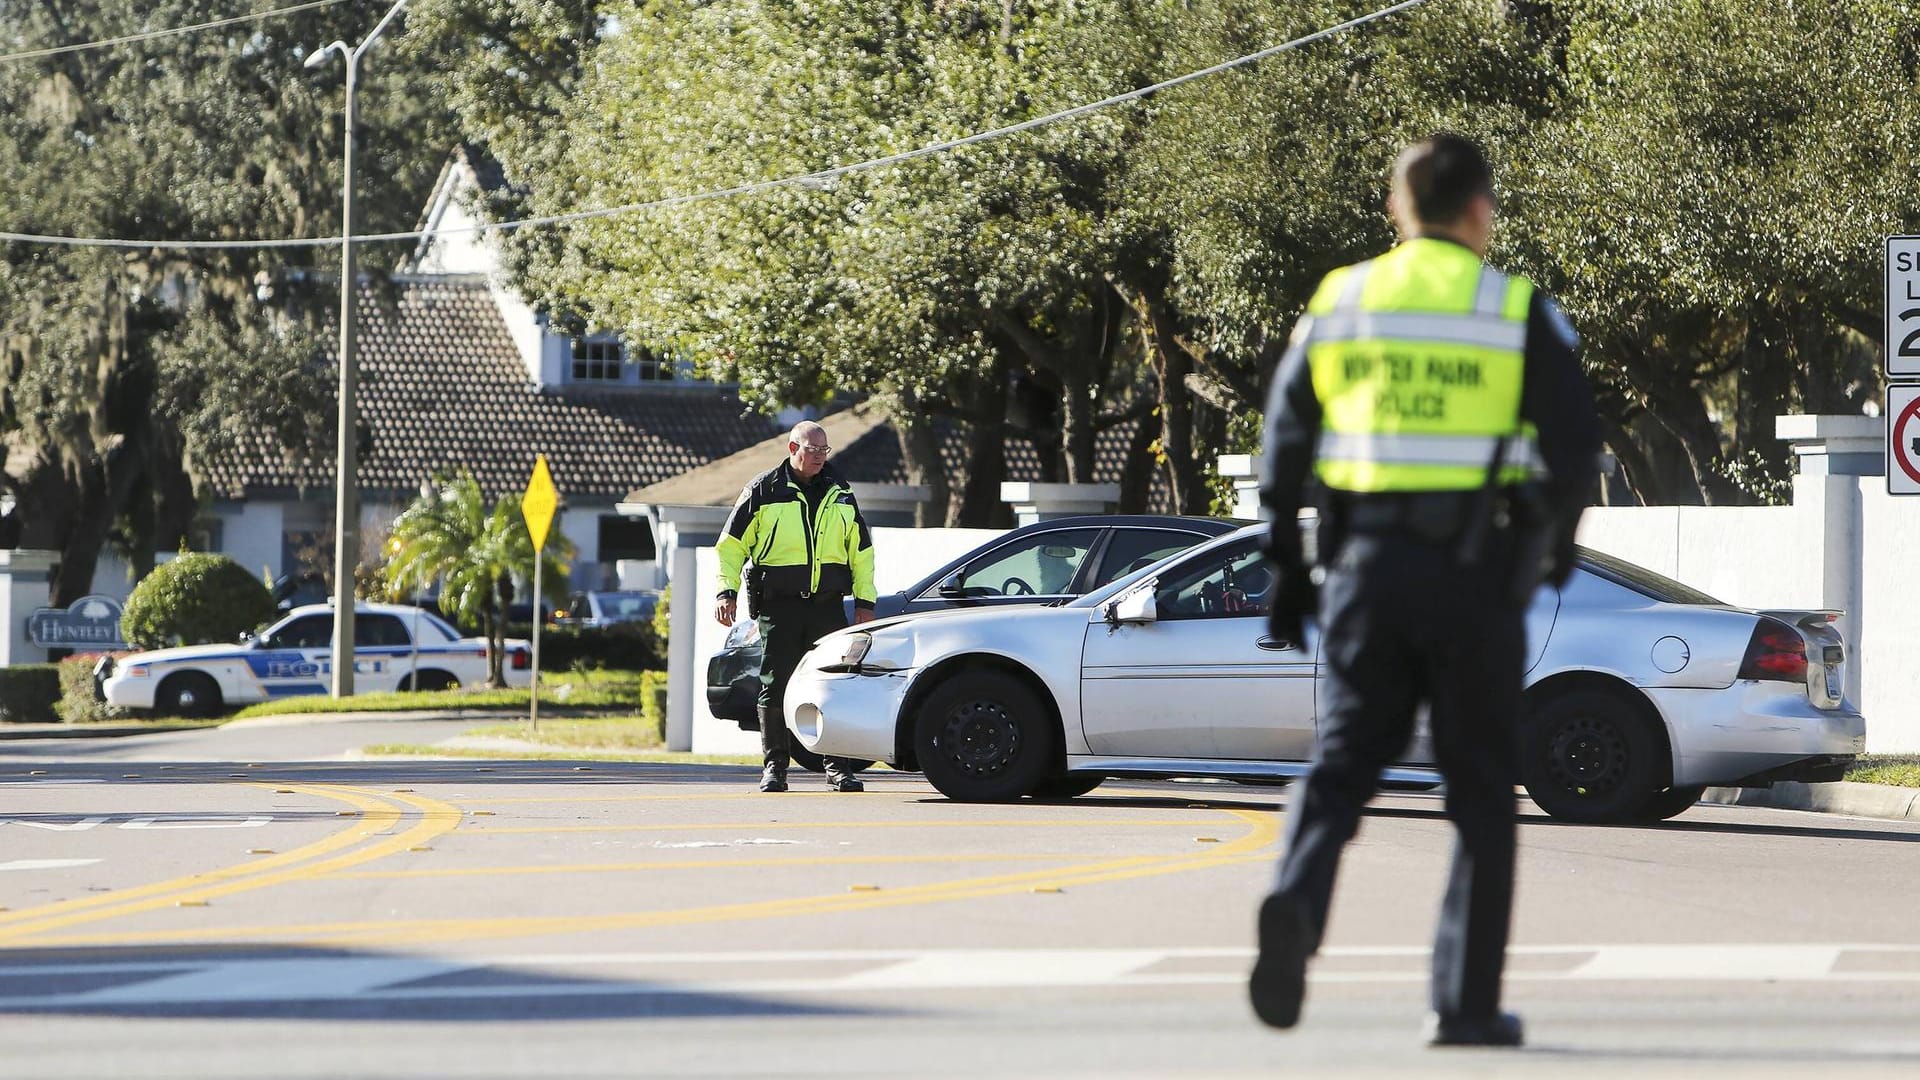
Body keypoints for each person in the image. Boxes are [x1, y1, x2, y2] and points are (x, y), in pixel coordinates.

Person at [1248, 134, 1601, 1047]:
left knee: (1341, 766)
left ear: (1398, 211)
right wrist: (1550, 557)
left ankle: (1294, 899)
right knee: (1481, 792)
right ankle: (1464, 1004)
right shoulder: (1515, 308)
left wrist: (1291, 565)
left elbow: (1283, 449)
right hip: (1476, 577)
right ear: (1478, 209)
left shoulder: (1342, 299)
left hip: (1365, 571)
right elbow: (1573, 455)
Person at [715, 420, 878, 793]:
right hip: (780, 607)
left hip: (828, 608)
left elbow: (862, 554)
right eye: (812, 450)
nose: (820, 457)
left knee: (832, 686)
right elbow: (731, 546)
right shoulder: (763, 490)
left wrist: (865, 604)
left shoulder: (840, 492)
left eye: (825, 450)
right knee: (775, 685)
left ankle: (838, 768)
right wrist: (726, 592)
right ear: (793, 449)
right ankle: (775, 768)